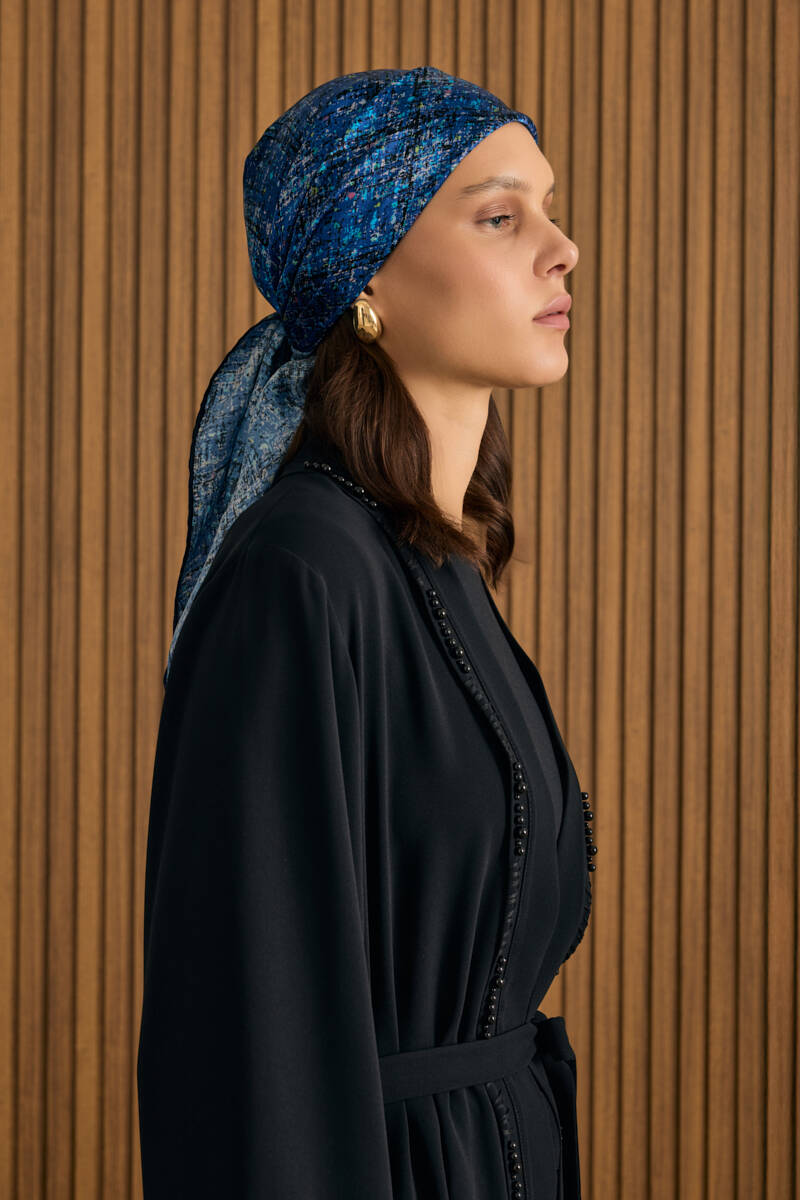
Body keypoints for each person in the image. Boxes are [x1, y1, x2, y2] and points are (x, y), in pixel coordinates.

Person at [136, 65, 597, 1199]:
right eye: (499, 216)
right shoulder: (301, 574)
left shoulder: (432, 560)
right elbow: (254, 1052)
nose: (563, 249)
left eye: (545, 207)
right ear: (368, 274)